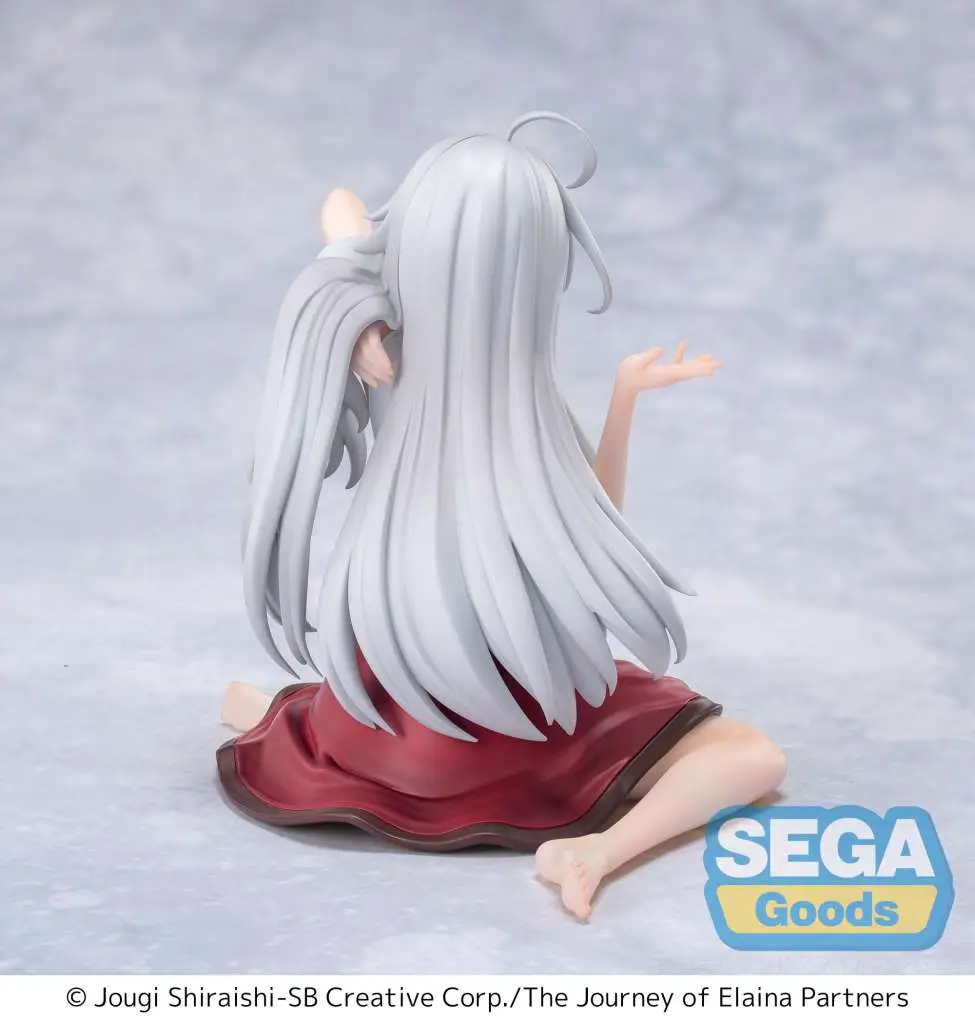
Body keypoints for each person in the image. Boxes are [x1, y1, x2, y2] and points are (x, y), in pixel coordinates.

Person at [218, 113, 786, 921]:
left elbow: (341, 212)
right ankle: (594, 851)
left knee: (325, 708)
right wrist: (355, 312)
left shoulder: (400, 362)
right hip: (515, 724)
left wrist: (354, 310)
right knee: (751, 758)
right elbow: (588, 552)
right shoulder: (500, 406)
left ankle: (293, 723)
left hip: (382, 705)